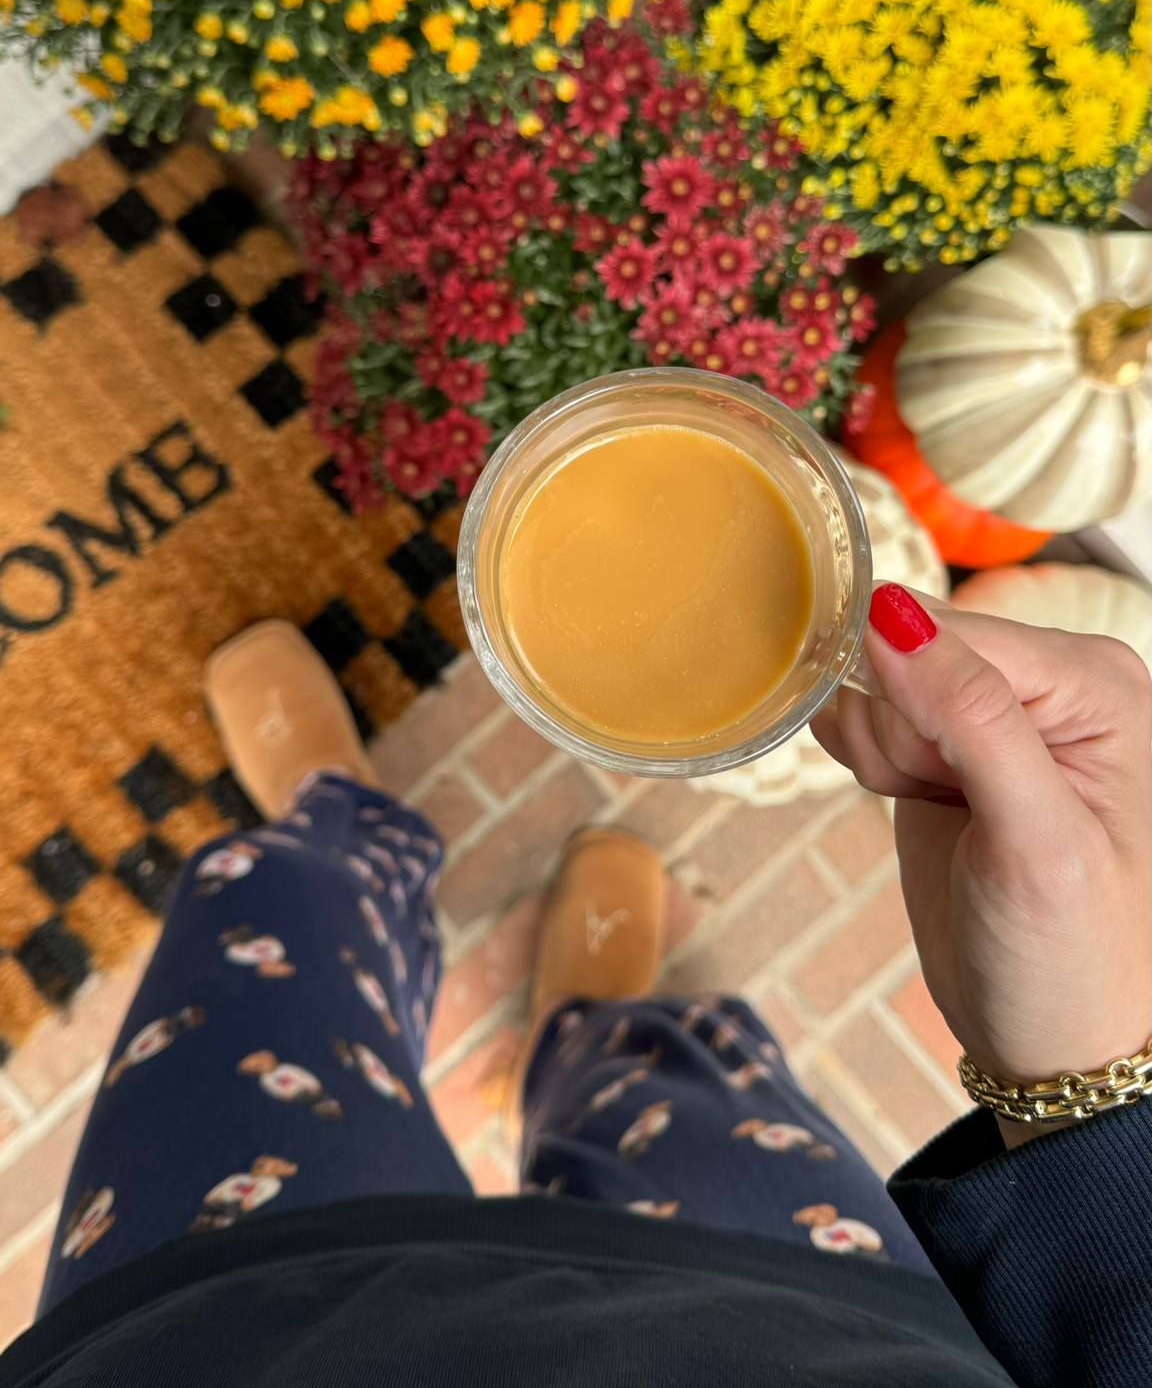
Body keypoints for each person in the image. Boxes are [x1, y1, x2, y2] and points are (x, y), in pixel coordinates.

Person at [2, 584, 1148, 1388]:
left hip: (228, 1328)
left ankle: (342, 827)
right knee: (672, 1085)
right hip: (805, 1313)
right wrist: (1097, 1095)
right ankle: (584, 1031)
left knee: (264, 927)